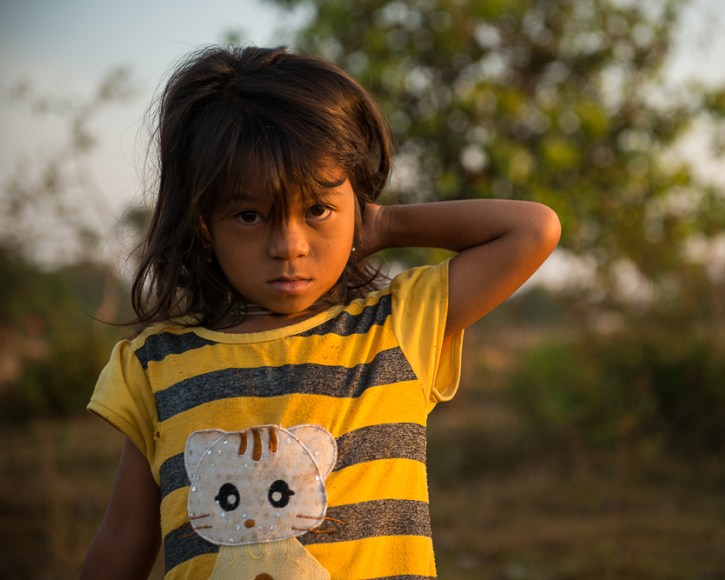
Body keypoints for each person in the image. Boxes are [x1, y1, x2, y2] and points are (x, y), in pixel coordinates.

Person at [81, 45, 560, 579]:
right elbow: (123, 536)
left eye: (317, 209)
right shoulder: (156, 364)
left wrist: (382, 225)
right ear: (202, 223)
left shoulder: (396, 327)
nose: (289, 244)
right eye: (249, 214)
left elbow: (533, 230)